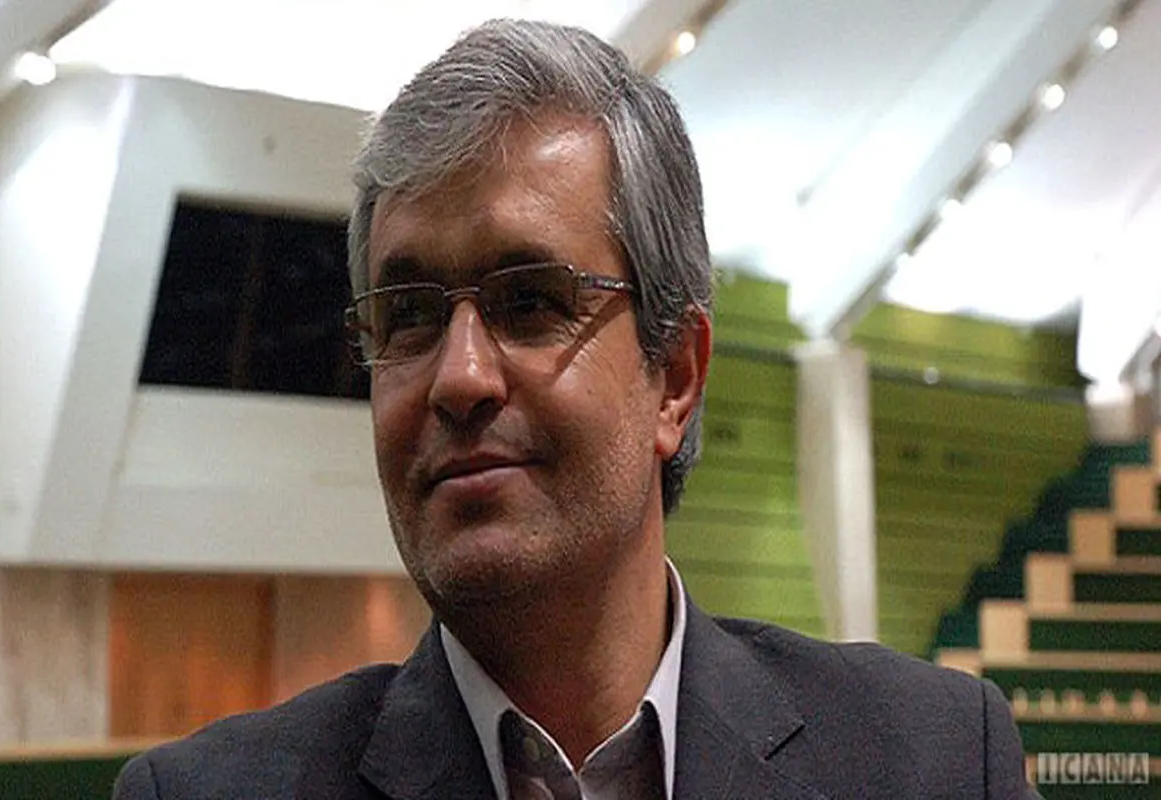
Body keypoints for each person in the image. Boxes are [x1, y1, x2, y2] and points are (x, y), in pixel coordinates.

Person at [113, 18, 1040, 800]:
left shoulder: (934, 763)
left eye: (529, 301)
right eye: (409, 315)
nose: (458, 377)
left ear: (675, 376)